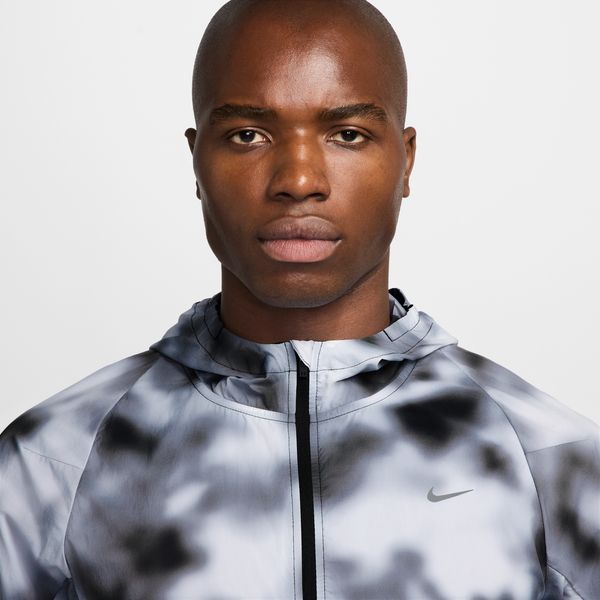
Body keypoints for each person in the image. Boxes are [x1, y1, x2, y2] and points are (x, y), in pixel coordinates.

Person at [1, 0, 598, 598]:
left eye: (347, 134)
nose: (299, 180)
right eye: (248, 135)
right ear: (196, 162)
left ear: (406, 162)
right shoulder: (54, 459)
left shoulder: (551, 459)